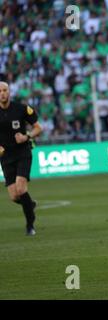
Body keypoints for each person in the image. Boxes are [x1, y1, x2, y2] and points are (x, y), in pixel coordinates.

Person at [0, 81, 42, 235]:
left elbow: (38, 128)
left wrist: (27, 136)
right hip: (6, 157)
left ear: (9, 92)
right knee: (14, 196)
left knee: (21, 187)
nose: (3, 93)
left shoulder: (21, 109)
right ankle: (29, 204)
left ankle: (30, 225)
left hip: (23, 152)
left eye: (5, 90)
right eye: (0, 91)